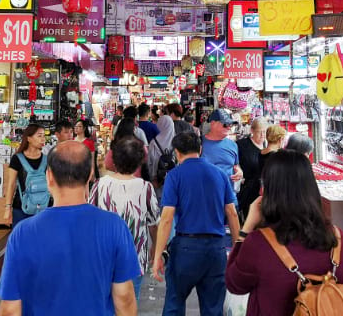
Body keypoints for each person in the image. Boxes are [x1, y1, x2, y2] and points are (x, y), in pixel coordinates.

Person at [0, 142, 139, 315]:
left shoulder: (22, 233)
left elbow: (10, 309)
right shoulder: (115, 226)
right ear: (90, 176)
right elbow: (124, 297)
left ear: (48, 177)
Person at [225, 150, 343, 315]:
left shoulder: (258, 243)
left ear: (269, 189)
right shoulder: (337, 238)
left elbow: (235, 283)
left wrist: (247, 226)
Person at [152, 132, 240, 316]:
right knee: (213, 309)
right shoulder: (220, 175)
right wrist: (238, 249)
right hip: (216, 248)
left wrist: (157, 255)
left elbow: (167, 218)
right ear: (200, 149)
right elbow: (232, 212)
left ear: (177, 152)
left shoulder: (174, 176)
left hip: (185, 249)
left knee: (174, 304)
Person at [90, 137, 160, 301]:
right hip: (134, 259)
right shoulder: (145, 188)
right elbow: (153, 224)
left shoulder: (101, 185)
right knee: (129, 303)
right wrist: (155, 249)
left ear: (114, 160)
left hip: (104, 257)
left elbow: (89, 218)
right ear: (139, 162)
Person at [3, 124, 49, 228]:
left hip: (45, 207)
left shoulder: (47, 159)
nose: (43, 139)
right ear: (28, 138)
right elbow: (11, 184)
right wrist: (7, 208)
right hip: (21, 208)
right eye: (39, 136)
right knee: (22, 241)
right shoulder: (17, 159)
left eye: (43, 136)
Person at [201, 109, 243, 191]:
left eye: (230, 124)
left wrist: (239, 172)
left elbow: (235, 166)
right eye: (225, 124)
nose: (229, 127)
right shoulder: (199, 144)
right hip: (206, 196)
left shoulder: (233, 145)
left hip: (228, 196)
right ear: (213, 123)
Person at [236, 117, 268, 220]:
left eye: (265, 132)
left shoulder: (268, 145)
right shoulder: (241, 145)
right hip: (248, 192)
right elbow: (234, 162)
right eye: (259, 132)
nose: (263, 135)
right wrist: (238, 170)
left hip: (265, 192)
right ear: (252, 130)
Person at [149, 114, 176, 187]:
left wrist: (153, 177)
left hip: (158, 180)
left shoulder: (154, 142)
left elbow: (150, 162)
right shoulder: (177, 142)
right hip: (174, 179)